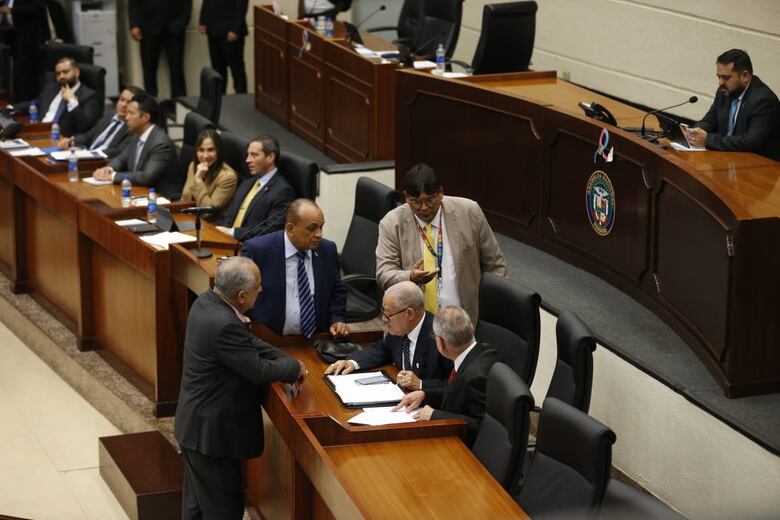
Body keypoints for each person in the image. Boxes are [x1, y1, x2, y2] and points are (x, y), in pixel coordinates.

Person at [174, 256, 306, 520]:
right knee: (224, 512)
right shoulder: (224, 325)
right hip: (211, 438)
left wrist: (285, 361)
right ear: (242, 295)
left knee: (197, 509)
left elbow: (249, 344)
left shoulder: (207, 302)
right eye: (259, 285)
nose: (262, 289)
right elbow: (257, 370)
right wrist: (295, 369)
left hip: (196, 428)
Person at [376, 163, 507, 325]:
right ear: (407, 197)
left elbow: (495, 266)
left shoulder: (469, 212)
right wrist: (410, 276)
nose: (424, 208)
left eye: (430, 200)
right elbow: (383, 274)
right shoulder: (392, 223)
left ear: (441, 192)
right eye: (416, 202)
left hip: (466, 320)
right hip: (415, 324)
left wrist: (494, 314)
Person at [242, 199, 348, 338]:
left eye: (321, 227)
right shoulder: (258, 251)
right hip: (269, 339)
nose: (319, 234)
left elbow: (337, 290)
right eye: (312, 228)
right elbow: (242, 295)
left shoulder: (327, 250)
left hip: (317, 340)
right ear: (290, 228)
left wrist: (337, 319)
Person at [393, 306, 498, 445]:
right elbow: (457, 392)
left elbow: (485, 429)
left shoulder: (474, 378)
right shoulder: (486, 351)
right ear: (471, 329)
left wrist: (435, 415)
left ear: (440, 343)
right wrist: (425, 394)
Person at [325, 281, 452, 391]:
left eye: (388, 314)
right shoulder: (400, 329)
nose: (384, 320)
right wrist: (352, 362)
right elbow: (383, 349)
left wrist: (421, 384)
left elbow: (457, 386)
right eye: (383, 313)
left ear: (410, 313)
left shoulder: (443, 338)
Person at [687, 49, 780, 162]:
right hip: (729, 159)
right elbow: (710, 121)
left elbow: (752, 141)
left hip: (758, 167)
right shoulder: (723, 92)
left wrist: (708, 140)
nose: (720, 83)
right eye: (719, 77)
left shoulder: (763, 100)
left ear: (745, 76)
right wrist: (695, 132)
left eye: (726, 78)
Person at [92, 92, 179, 197]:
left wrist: (112, 176)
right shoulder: (137, 135)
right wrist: (108, 169)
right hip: (139, 192)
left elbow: (146, 177)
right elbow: (121, 159)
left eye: (131, 113)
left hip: (161, 198)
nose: (126, 117)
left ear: (145, 117)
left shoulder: (161, 144)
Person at [216, 134, 296, 241]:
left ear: (270, 158)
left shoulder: (283, 192)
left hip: (250, 249)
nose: (247, 160)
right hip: (227, 242)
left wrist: (232, 233)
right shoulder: (247, 183)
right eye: (248, 154)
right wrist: (222, 233)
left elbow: (270, 230)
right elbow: (230, 217)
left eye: (254, 155)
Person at [11, 57, 100, 136]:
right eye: (58, 73)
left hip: (61, 140)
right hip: (38, 132)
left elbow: (83, 126)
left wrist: (72, 101)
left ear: (77, 72)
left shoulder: (89, 96)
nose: (61, 76)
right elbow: (34, 103)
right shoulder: (52, 89)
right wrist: (10, 108)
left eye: (65, 72)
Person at [128, 0, 191, 100]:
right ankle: (151, 103)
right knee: (149, 69)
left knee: (177, 69)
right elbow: (134, 3)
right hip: (148, 27)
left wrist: (181, 22)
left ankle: (180, 104)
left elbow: (187, 3)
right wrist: (134, 24)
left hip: (175, 28)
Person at [56, 86, 143, 158]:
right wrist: (71, 141)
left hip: (102, 162)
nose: (123, 105)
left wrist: (87, 154)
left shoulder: (133, 127)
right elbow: (88, 136)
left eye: (128, 102)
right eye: (122, 100)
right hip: (86, 156)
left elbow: (118, 151)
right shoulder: (109, 115)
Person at [179, 129, 238, 221]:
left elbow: (207, 213)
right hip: (189, 218)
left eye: (210, 150)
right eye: (201, 150)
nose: (205, 156)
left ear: (218, 151)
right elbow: (185, 199)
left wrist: (198, 179)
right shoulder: (193, 166)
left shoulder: (228, 177)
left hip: (211, 224)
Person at [1, 0, 50, 102]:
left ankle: (25, 104)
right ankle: (19, 101)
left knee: (24, 71)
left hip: (29, 37)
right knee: (17, 71)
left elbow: (38, 7)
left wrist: (11, 10)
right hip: (12, 35)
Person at [198, 0, 247, 94]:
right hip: (213, 30)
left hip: (231, 32)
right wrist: (203, 21)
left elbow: (241, 5)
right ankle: (219, 100)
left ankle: (241, 98)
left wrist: (235, 29)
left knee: (237, 70)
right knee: (217, 69)